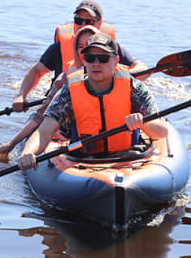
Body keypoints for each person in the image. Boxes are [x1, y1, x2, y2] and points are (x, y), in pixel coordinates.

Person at [17, 32, 168, 170]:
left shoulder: (133, 87)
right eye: (90, 58)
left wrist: (142, 122)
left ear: (115, 61)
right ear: (84, 61)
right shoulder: (70, 90)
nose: (96, 63)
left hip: (129, 155)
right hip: (82, 158)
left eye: (103, 58)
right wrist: (28, 152)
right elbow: (44, 133)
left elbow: (162, 131)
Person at [12, 0, 148, 113]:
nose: (82, 25)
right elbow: (36, 71)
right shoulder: (58, 48)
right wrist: (21, 95)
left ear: (99, 23)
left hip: (100, 104)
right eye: (78, 20)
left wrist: (118, 75)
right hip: (62, 102)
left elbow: (142, 68)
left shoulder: (110, 48)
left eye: (88, 21)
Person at [0, 25, 101, 161]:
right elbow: (42, 116)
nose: (86, 52)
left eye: (91, 47)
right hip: (74, 139)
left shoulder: (124, 83)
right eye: (81, 47)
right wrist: (12, 144)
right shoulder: (65, 83)